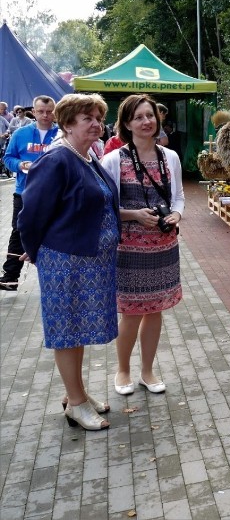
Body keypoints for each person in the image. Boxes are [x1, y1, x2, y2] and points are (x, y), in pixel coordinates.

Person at [17, 93, 120, 431]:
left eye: (98, 117)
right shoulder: (57, 159)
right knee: (66, 331)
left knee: (78, 329)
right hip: (65, 262)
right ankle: (75, 403)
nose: (96, 124)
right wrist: (37, 252)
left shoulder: (86, 155)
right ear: (68, 123)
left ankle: (77, 393)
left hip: (87, 261)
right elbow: (29, 215)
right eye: (87, 118)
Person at [101, 94, 184, 396]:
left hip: (163, 247)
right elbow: (104, 206)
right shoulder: (113, 160)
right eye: (138, 117)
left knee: (155, 310)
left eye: (150, 115)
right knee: (132, 312)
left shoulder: (169, 157)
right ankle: (123, 370)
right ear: (126, 123)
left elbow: (178, 197)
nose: (146, 121)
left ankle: (147, 371)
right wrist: (134, 215)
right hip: (129, 248)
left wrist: (176, 214)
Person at [1, 96, 59, 291]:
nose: (45, 115)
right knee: (18, 232)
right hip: (23, 191)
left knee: (53, 232)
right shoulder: (20, 134)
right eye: (41, 111)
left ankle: (55, 277)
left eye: (49, 111)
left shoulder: (61, 134)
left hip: (53, 194)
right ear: (32, 112)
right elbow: (8, 158)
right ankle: (10, 277)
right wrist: (19, 165)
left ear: (55, 112)